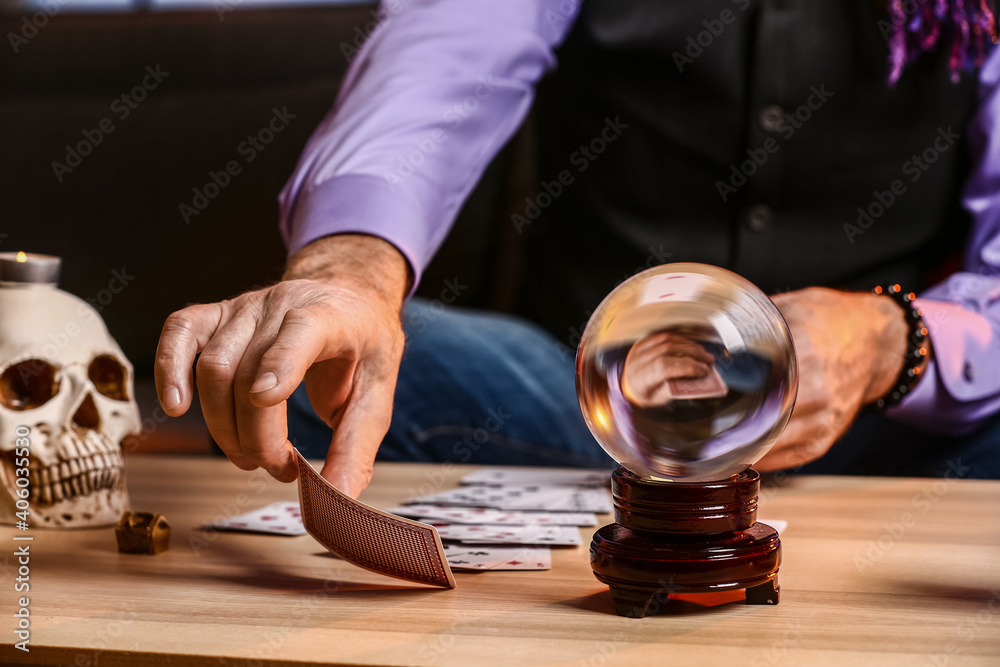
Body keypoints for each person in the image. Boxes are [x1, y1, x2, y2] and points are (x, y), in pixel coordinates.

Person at [154, 0, 1000, 497]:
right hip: (578, 411)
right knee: (314, 365)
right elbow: (446, 56)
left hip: (892, 433)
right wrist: (348, 270)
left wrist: (894, 341)